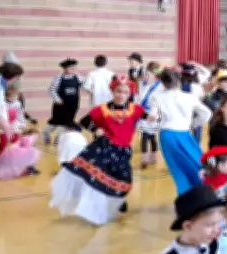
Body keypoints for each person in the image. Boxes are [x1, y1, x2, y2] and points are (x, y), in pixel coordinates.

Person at [50, 75, 148, 225]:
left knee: (124, 179)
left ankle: (117, 197)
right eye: (118, 91)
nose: (121, 95)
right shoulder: (102, 109)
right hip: (104, 148)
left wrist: (154, 116)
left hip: (124, 151)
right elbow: (84, 121)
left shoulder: (135, 108)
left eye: (125, 92)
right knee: (101, 176)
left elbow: (146, 115)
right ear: (112, 91)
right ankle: (107, 202)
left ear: (130, 94)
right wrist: (95, 129)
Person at [150, 69, 212, 195]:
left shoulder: (156, 96)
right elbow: (207, 113)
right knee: (197, 163)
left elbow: (153, 116)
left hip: (167, 135)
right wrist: (194, 123)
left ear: (162, 82)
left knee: (178, 170)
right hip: (185, 133)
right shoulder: (189, 97)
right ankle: (205, 192)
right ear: (179, 81)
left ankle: (186, 196)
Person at [42, 58, 83, 145]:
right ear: (64, 69)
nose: (73, 69)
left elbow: (84, 85)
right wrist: (57, 99)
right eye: (71, 68)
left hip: (73, 105)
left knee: (67, 122)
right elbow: (51, 90)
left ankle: (58, 139)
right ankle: (45, 133)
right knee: (56, 121)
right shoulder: (58, 78)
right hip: (60, 105)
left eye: (75, 68)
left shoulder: (78, 77)